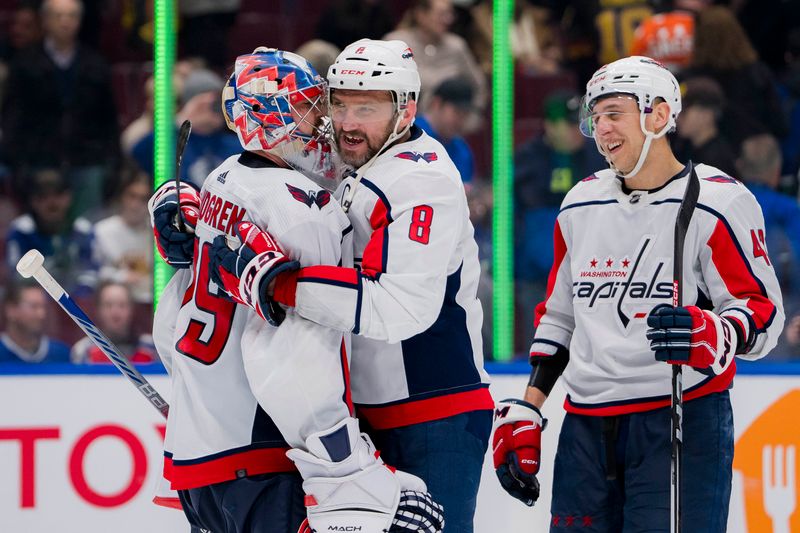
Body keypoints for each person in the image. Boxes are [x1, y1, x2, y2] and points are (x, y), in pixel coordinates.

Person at [149, 47, 442, 533]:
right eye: (310, 109)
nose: (323, 124)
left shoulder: (221, 182)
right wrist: (347, 467)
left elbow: (170, 327)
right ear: (273, 119)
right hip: (265, 454)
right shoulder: (300, 210)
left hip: (198, 462)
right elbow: (293, 354)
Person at [211, 39, 493, 532]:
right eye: (339, 104)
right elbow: (255, 176)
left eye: (365, 107)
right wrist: (180, 209)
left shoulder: (422, 181)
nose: (346, 123)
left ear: (405, 111)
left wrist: (281, 285)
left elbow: (402, 307)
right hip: (359, 418)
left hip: (432, 411)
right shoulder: (349, 159)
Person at [492, 56, 784, 532]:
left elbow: (763, 314)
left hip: (680, 421)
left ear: (661, 115)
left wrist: (719, 332)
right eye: (596, 117)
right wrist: (529, 405)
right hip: (585, 428)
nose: (601, 128)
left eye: (613, 113)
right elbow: (561, 317)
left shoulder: (718, 200)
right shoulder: (580, 202)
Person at [71, 281, 156, 364]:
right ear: (98, 310)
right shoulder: (84, 350)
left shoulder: (151, 348)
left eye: (122, 305)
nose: (115, 312)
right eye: (108, 305)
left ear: (132, 309)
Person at [414, 77, 476, 186]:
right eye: (457, 112)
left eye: (466, 114)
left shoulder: (462, 150)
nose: (461, 120)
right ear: (436, 104)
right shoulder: (410, 135)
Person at [0, 280, 70, 364]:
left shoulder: (61, 355)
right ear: (11, 310)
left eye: (44, 307)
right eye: (34, 306)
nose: (42, 314)